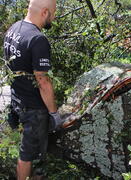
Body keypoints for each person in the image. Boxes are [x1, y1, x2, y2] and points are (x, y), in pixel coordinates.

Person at [3, 0, 64, 179]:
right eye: (53, 14)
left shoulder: (14, 29)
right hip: (33, 108)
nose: (53, 17)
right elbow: (42, 80)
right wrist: (53, 113)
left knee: (29, 153)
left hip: (18, 101)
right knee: (28, 156)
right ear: (45, 12)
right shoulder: (38, 39)